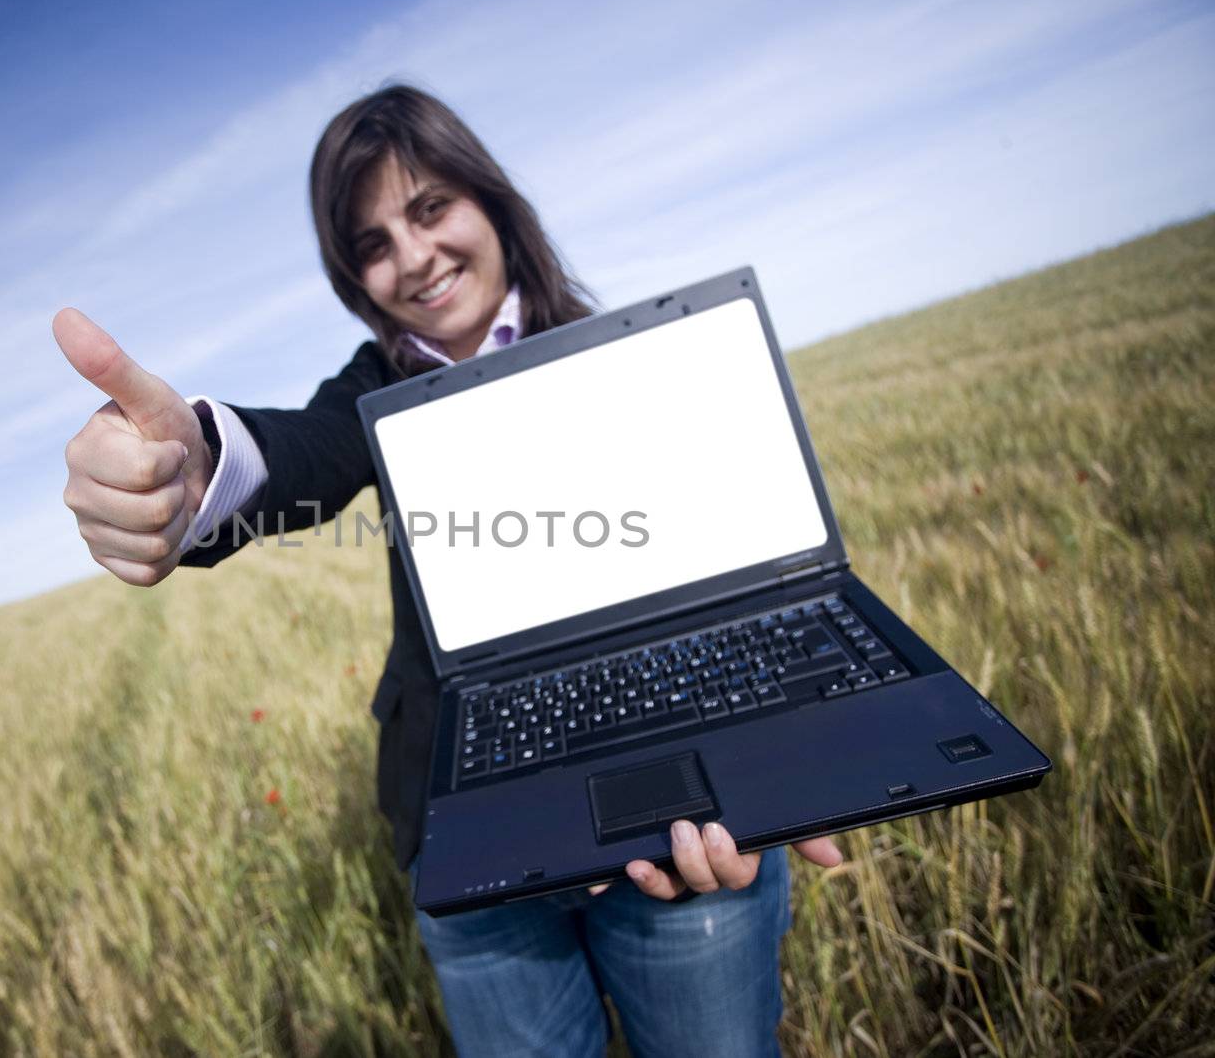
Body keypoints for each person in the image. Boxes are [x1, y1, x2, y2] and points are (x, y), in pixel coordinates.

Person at [54, 84, 844, 1057]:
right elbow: (297, 454)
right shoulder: (373, 392)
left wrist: (757, 772)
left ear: (490, 202)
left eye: (429, 209)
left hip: (669, 825)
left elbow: (727, 597)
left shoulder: (636, 361)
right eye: (373, 244)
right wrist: (193, 467)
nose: (413, 257)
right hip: (479, 853)